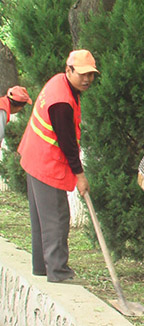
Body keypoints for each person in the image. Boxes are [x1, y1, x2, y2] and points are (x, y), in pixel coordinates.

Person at [18, 49, 99, 283]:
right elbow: (68, 144)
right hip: (45, 163)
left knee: (41, 218)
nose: (87, 79)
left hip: (33, 156)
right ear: (69, 70)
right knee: (56, 218)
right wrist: (80, 176)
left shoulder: (58, 82)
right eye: (82, 74)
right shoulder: (62, 102)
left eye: (91, 75)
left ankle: (41, 266)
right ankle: (58, 272)